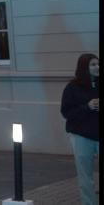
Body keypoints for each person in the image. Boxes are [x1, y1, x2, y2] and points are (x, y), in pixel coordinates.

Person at [60, 53, 99, 205]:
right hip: (82, 136)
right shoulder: (72, 88)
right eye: (93, 65)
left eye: (98, 64)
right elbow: (66, 112)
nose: (97, 67)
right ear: (84, 67)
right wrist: (87, 107)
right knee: (85, 177)